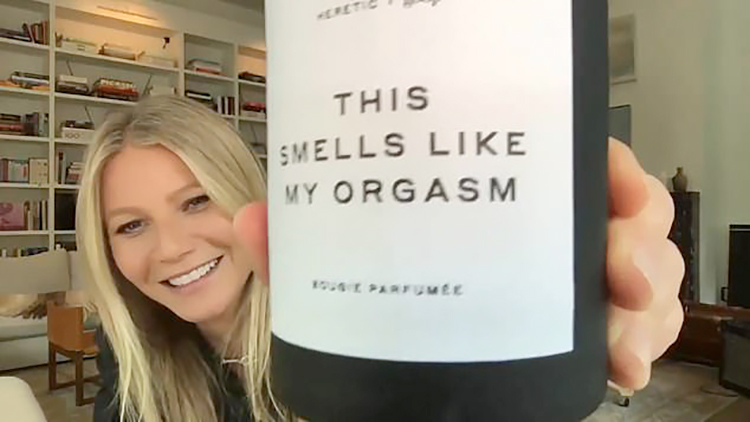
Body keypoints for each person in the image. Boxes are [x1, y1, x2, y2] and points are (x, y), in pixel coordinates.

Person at [78, 95, 684, 422]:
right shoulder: (127, 343)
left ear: (244, 196)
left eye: (196, 202)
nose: (171, 248)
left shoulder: (349, 322)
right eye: (131, 225)